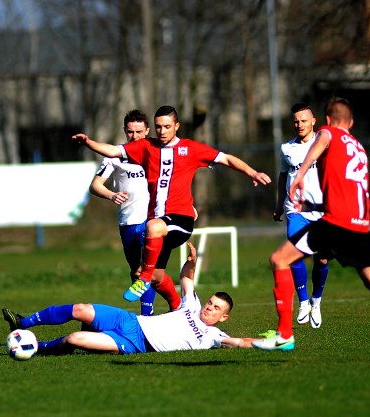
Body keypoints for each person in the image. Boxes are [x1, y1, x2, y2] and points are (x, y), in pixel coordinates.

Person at [253, 97, 370, 361]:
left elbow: (321, 141)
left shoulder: (328, 133)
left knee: (279, 259)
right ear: (351, 123)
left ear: (326, 121)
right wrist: (311, 202)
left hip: (335, 223)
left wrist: (303, 173)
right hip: (360, 227)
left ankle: (285, 334)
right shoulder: (360, 149)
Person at [72, 105, 271, 303]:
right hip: (155, 223)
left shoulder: (191, 148)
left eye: (167, 126)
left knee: (152, 233)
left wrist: (252, 172)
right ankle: (177, 307)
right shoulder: (146, 147)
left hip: (180, 219)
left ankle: (143, 281)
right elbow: (113, 150)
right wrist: (89, 142)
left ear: (177, 126)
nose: (162, 131)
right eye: (159, 126)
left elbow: (225, 159)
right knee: (158, 277)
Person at [1, 242, 260, 355]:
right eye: (210, 303)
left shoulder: (214, 337)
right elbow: (186, 279)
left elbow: (241, 342)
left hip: (134, 342)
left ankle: (37, 349)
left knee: (74, 339)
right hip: (130, 321)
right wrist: (192, 262)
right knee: (80, 308)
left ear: (223, 317)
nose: (209, 308)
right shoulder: (191, 306)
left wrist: (273, 343)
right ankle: (24, 323)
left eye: (216, 309)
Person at [89, 109, 177, 315]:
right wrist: (111, 195)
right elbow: (95, 185)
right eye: (130, 132)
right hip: (128, 222)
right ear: (125, 131)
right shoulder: (115, 156)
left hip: (153, 220)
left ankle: (150, 313)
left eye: (139, 132)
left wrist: (186, 206)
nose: (134, 136)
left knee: (146, 271)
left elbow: (175, 181)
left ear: (147, 131)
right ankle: (175, 305)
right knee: (136, 272)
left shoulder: (158, 152)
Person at [274, 103, 329, 328]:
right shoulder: (287, 148)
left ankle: (316, 301)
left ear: (313, 121)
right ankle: (303, 301)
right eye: (296, 121)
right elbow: (282, 176)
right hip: (296, 210)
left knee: (322, 259)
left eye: (304, 120)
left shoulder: (325, 144)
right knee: (294, 254)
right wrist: (278, 204)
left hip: (323, 211)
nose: (299, 125)